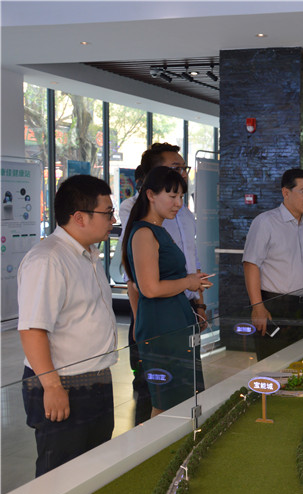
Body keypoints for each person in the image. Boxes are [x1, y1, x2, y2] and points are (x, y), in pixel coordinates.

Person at [18, 175, 118, 476]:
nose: (113, 221)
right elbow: (33, 330)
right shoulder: (48, 260)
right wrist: (52, 386)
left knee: (93, 471)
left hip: (95, 378)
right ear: (79, 217)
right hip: (64, 383)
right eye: (107, 213)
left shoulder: (87, 255)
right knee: (60, 475)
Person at [120, 143, 206, 424]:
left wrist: (195, 294)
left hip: (176, 317)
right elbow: (149, 288)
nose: (178, 203)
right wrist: (188, 282)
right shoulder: (144, 232)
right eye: (171, 196)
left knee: (184, 395)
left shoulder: (158, 229)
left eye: (180, 196)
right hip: (161, 322)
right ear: (150, 194)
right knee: (164, 400)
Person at [243, 169, 303, 360]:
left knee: (298, 361)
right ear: (286, 192)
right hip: (274, 306)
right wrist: (258, 307)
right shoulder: (265, 222)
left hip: (302, 306)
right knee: (272, 363)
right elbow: (250, 265)